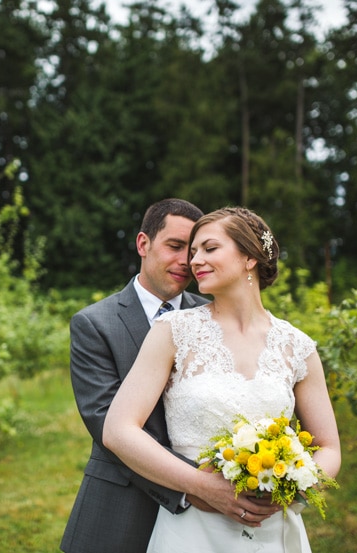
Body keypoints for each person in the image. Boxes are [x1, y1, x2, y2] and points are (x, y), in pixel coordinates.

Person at [102, 206, 342, 553]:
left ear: (249, 258)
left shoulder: (298, 346)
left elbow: (330, 447)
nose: (195, 260)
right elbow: (118, 429)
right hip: (193, 528)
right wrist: (201, 485)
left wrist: (294, 486)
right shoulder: (174, 331)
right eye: (193, 251)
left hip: (273, 528)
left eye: (209, 249)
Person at [61, 198, 217, 553]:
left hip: (209, 520)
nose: (185, 262)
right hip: (124, 506)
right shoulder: (94, 323)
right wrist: (197, 486)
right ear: (143, 244)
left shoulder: (212, 316)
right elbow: (106, 425)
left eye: (192, 251)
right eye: (175, 246)